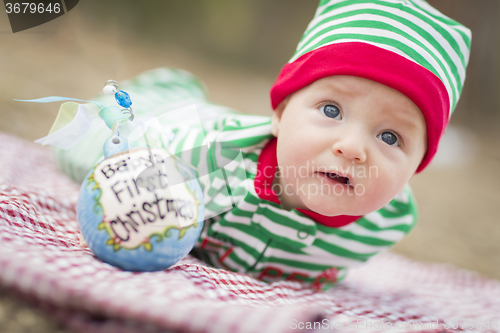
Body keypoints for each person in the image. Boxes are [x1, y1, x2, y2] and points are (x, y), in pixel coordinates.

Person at [60, 0, 471, 289]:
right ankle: (170, 87)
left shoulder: (383, 225)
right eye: (331, 110)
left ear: (416, 167)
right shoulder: (203, 153)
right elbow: (125, 171)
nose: (352, 147)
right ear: (280, 113)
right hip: (167, 121)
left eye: (389, 137)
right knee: (86, 147)